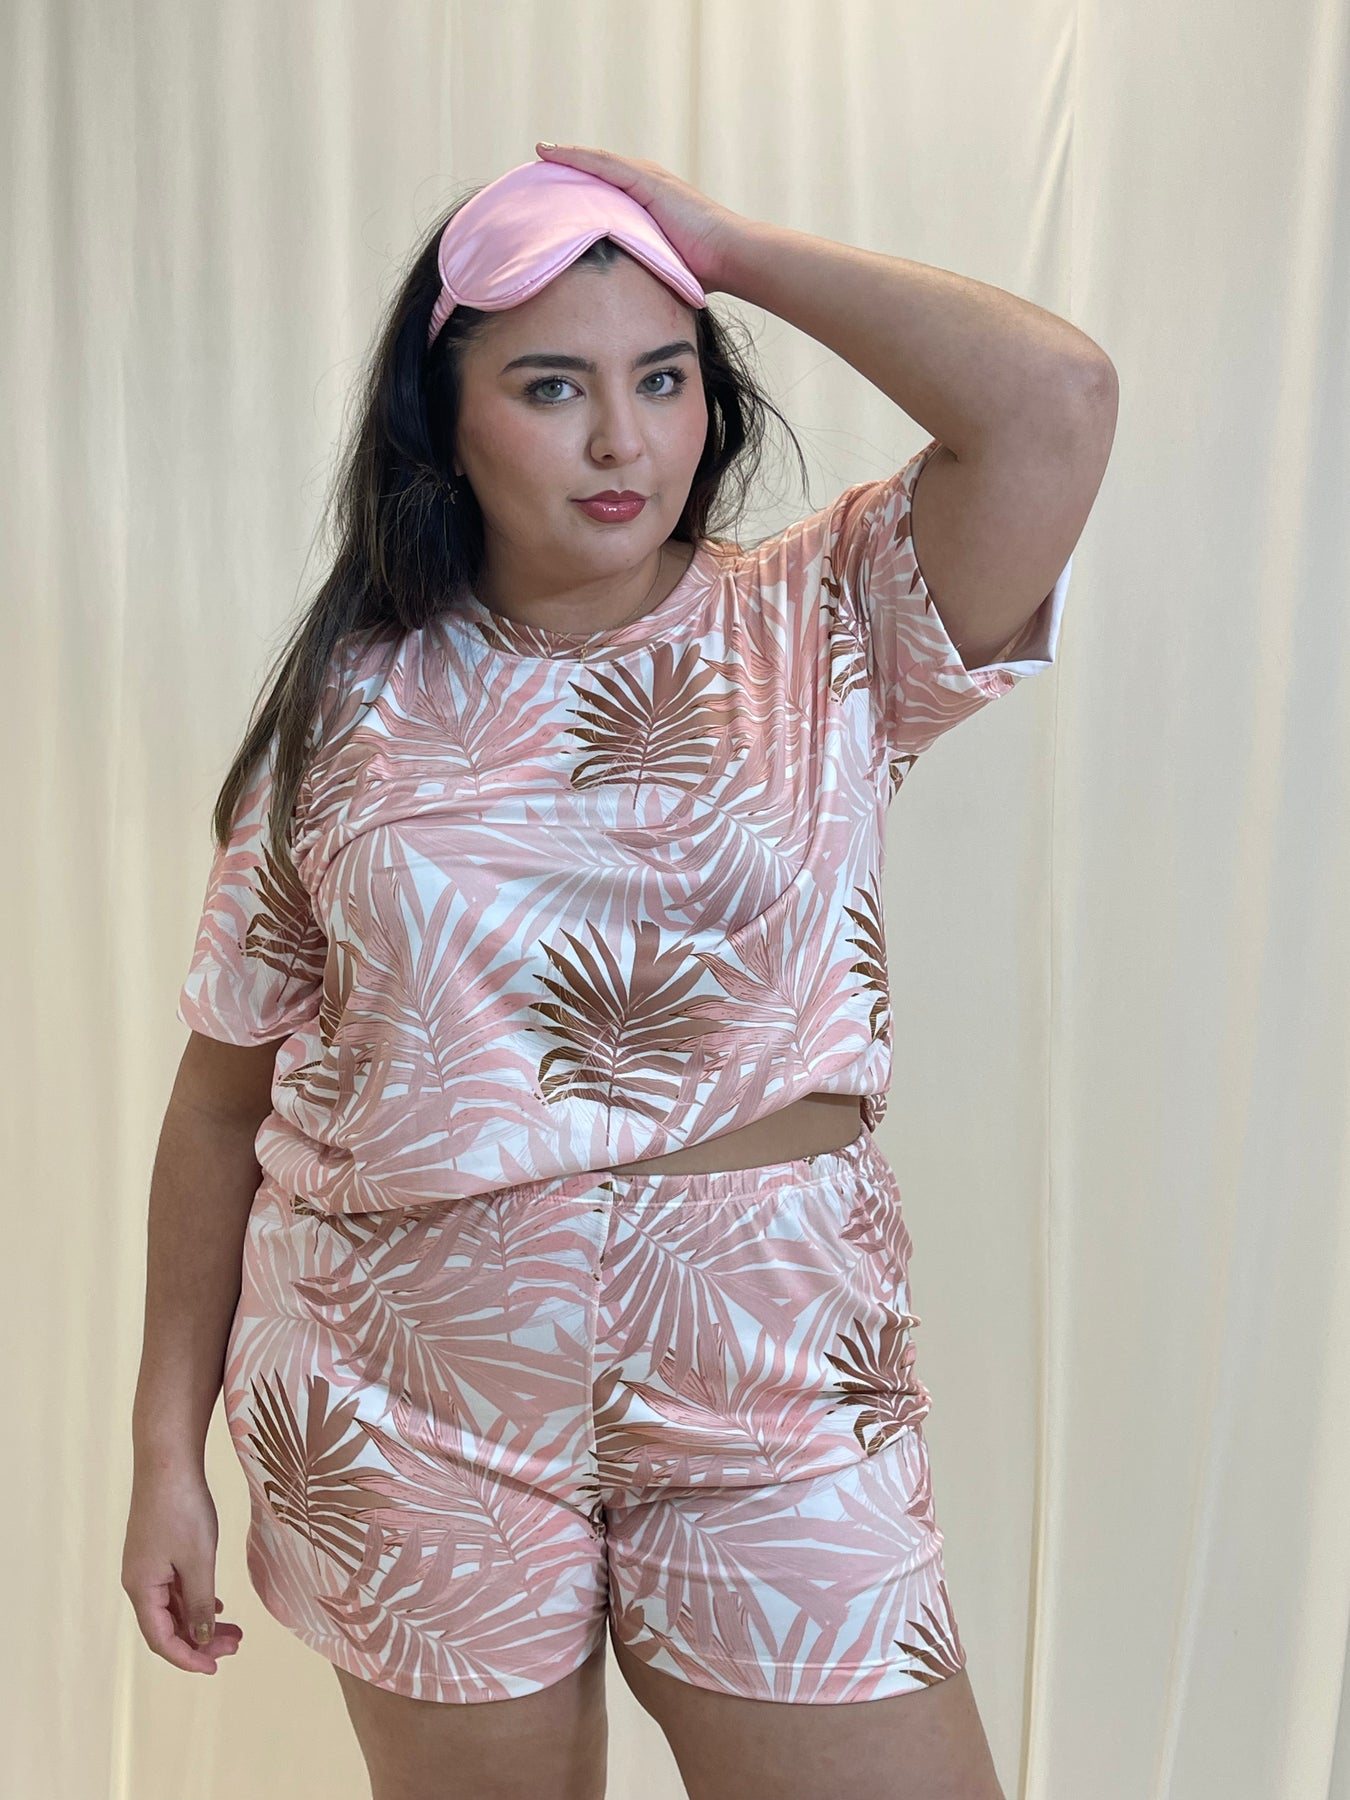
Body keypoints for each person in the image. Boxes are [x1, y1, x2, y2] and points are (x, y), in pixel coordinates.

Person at [122, 145, 1115, 1800]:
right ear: (443, 421)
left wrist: (721, 246)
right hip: (404, 1386)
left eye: (661, 378)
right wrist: (165, 1446)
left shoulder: (824, 617)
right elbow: (222, 1101)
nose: (620, 440)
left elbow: (1056, 403)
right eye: (549, 387)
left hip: (772, 1369)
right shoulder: (347, 709)